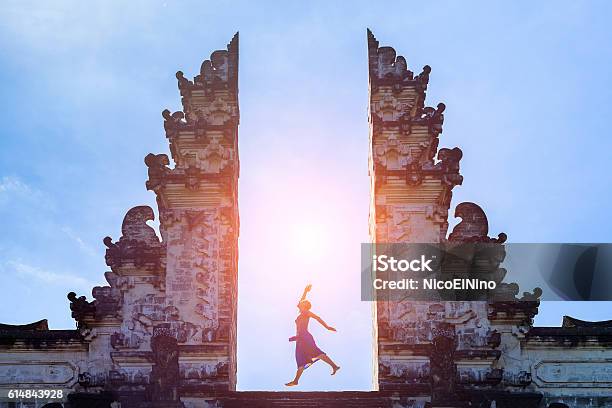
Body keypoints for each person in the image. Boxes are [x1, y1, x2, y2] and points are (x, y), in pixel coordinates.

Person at [285, 284, 340, 387]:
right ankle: (296, 380)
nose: (299, 304)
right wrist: (305, 291)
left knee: (316, 353)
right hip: (299, 340)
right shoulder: (301, 312)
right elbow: (300, 301)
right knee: (301, 360)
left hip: (305, 337)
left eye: (301, 304)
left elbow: (317, 318)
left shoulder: (306, 312)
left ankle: (334, 366)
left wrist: (327, 327)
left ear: (304, 306)